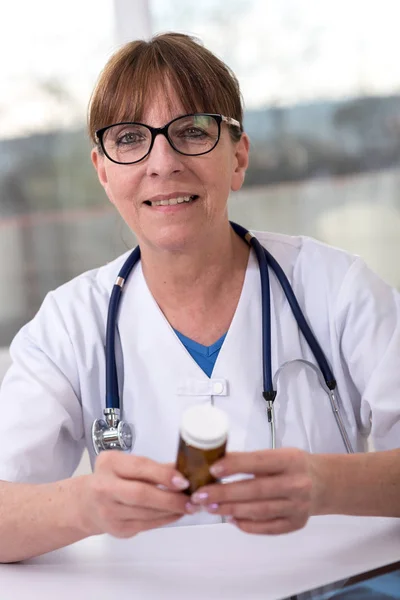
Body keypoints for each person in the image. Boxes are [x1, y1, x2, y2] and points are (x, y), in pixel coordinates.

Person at [0, 32, 399, 564]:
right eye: (128, 138)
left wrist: (328, 483)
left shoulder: (336, 289)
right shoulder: (69, 325)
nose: (162, 163)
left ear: (238, 156)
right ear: (102, 170)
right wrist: (85, 506)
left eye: (191, 131)